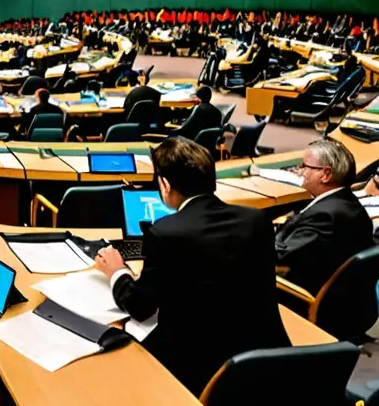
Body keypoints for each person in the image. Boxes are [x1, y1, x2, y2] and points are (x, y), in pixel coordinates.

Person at [95, 138, 289, 395]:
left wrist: (117, 272)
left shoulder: (165, 233)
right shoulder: (256, 219)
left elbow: (140, 307)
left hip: (199, 367)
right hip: (268, 357)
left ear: (164, 185)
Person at [275, 139, 374, 296]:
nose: (299, 172)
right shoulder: (350, 204)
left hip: (306, 300)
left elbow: (280, 258)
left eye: (304, 166)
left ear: (326, 175)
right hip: (348, 300)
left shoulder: (325, 217)